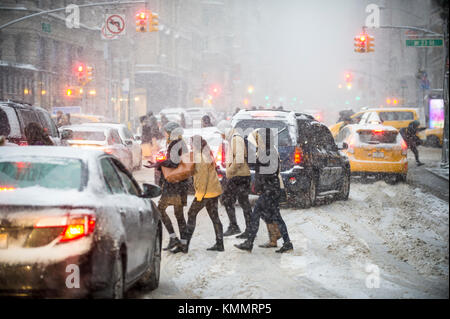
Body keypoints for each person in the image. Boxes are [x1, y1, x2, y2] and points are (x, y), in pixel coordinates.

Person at [234, 128, 293, 253]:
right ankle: (285, 242)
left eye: (258, 138)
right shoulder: (268, 151)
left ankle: (249, 242)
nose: (257, 141)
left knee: (257, 215)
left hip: (269, 191)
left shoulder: (268, 153)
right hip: (271, 190)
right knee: (274, 216)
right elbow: (258, 168)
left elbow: (264, 172)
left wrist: (262, 186)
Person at [171, 135, 224, 253]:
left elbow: (202, 178)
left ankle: (185, 245)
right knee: (214, 217)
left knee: (191, 214)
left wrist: (199, 195)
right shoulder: (205, 154)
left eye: (191, 144)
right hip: (213, 191)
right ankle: (220, 243)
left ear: (196, 145)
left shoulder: (200, 157)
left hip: (206, 192)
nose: (190, 146)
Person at [148, 122, 189, 251]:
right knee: (179, 213)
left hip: (174, 184)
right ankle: (182, 242)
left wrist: (158, 164)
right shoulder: (180, 143)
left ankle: (175, 239)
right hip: (180, 183)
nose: (165, 134)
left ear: (172, 132)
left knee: (161, 210)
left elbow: (174, 163)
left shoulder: (176, 144)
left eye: (166, 132)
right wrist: (158, 163)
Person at [216, 120, 252, 238]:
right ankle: (248, 228)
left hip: (239, 176)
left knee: (228, 199)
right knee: (242, 201)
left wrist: (230, 170)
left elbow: (240, 158)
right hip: (240, 175)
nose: (221, 136)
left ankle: (236, 227)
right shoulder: (234, 139)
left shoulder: (236, 139)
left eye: (221, 133)